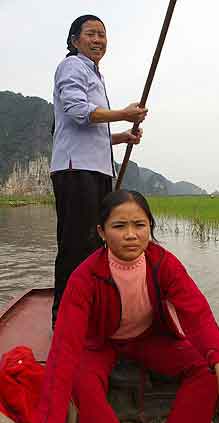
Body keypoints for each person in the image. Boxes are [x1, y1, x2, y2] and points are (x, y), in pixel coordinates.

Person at [25, 190, 219, 423]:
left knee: (207, 367)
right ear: (102, 232)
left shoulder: (164, 264)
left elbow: (197, 315)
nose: (131, 235)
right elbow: (64, 347)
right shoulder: (83, 278)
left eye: (140, 225)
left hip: (148, 339)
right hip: (102, 343)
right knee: (82, 384)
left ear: (150, 227)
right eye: (119, 226)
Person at [50, 14, 148, 327]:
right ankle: (65, 318)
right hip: (75, 168)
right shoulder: (72, 66)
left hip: (97, 169)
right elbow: (78, 112)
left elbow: (95, 132)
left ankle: (89, 310)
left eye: (102, 35)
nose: (97, 40)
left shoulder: (96, 74)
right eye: (90, 34)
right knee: (77, 243)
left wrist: (122, 136)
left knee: (96, 243)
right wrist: (123, 113)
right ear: (75, 40)